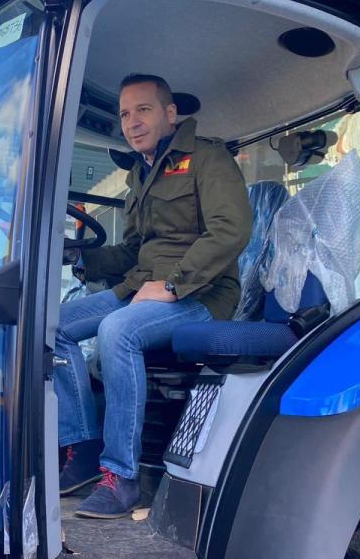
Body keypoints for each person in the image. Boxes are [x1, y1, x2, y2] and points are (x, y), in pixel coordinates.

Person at [55, 74, 252, 519]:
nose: (131, 122)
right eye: (125, 114)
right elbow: (132, 250)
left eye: (142, 110)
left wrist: (173, 285)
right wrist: (81, 257)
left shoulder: (208, 158)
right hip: (141, 288)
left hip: (202, 293)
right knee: (54, 326)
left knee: (116, 330)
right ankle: (83, 448)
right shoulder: (140, 176)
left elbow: (231, 230)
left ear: (169, 114)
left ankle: (122, 479)